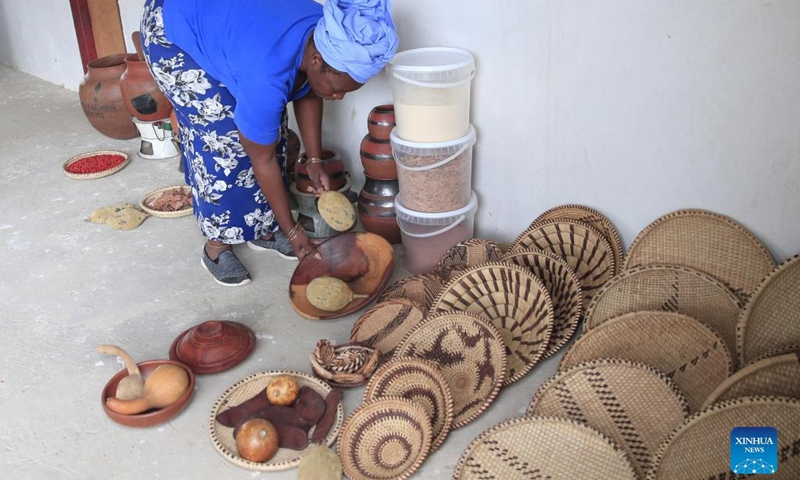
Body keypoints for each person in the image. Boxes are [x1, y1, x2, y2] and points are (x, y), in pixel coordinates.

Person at [139, 0, 398, 286]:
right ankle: (217, 246)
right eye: (337, 90)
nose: (338, 97)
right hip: (174, 28)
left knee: (268, 130)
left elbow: (308, 89)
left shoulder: (320, 32)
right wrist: (293, 232)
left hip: (230, 26)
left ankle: (262, 231)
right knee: (223, 141)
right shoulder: (266, 74)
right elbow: (262, 158)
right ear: (316, 61)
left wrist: (314, 160)